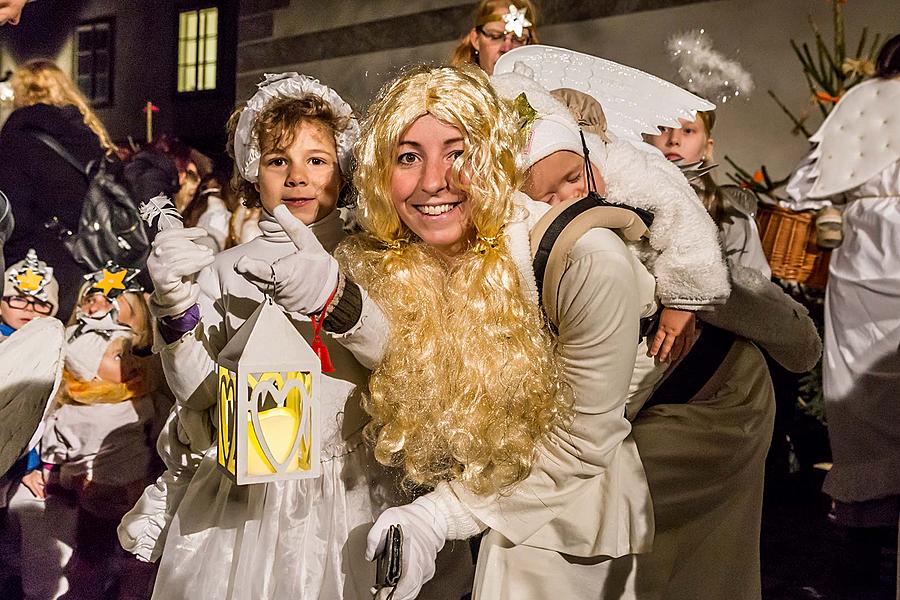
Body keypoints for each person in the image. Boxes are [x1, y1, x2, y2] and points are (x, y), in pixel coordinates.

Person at [233, 64, 656, 600]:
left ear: (496, 156)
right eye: (408, 157)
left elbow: (580, 443)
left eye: (459, 153)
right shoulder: (397, 257)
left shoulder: (586, 260)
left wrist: (438, 516)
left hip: (556, 532)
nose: (435, 181)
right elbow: (396, 365)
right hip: (450, 529)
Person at [119, 72, 472, 600]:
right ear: (252, 173)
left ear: (344, 170)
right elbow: (201, 395)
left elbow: (401, 363)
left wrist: (339, 295)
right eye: (278, 160)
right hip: (248, 502)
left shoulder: (379, 261)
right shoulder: (224, 270)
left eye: (317, 160)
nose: (298, 177)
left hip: (350, 489)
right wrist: (173, 307)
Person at [495, 72, 729, 364]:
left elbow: (685, 218)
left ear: (586, 154)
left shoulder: (625, 169)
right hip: (613, 310)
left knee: (747, 316)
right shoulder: (523, 208)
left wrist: (684, 298)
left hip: (672, 291)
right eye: (550, 197)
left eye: (574, 177)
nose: (571, 195)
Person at [785, 34, 900, 594]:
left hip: (864, 255)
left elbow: (805, 188)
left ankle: (867, 556)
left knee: (863, 401)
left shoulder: (864, 101)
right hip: (872, 257)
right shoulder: (867, 102)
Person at [0, 59, 116, 321]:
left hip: (30, 273)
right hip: (88, 262)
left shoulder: (17, 136)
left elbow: (11, 210)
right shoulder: (87, 134)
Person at [643, 111, 771, 278]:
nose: (674, 139)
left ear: (707, 147)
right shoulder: (624, 196)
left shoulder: (730, 214)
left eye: (688, 131)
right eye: (663, 128)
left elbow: (754, 286)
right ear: (646, 137)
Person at [450, 0, 539, 75]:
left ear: (529, 44)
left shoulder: (544, 93)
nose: (506, 48)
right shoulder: (452, 93)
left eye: (518, 39)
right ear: (476, 39)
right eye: (495, 36)